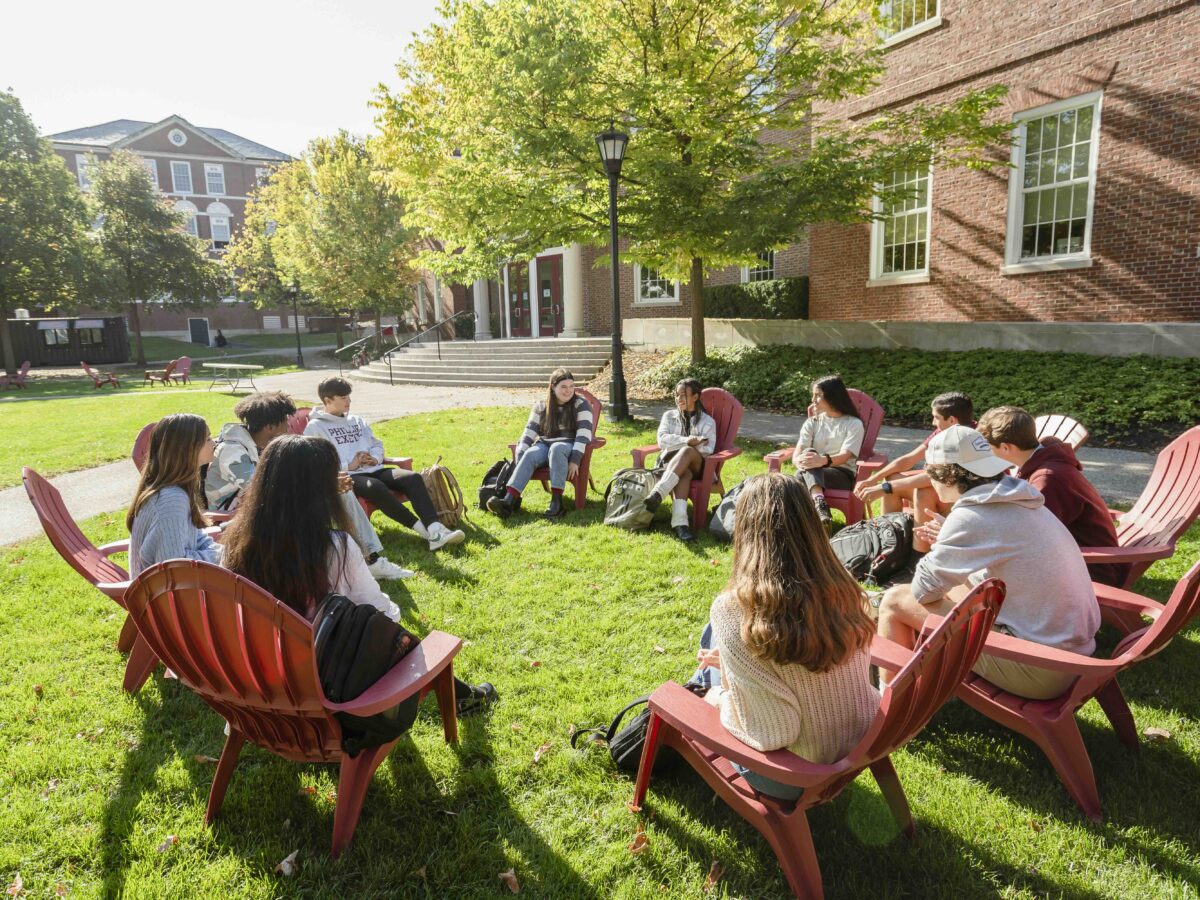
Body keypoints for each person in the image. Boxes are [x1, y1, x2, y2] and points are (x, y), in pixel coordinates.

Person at [220, 435, 497, 717]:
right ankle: (467, 697)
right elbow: (379, 613)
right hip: (327, 686)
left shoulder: (236, 542)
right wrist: (395, 614)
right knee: (397, 636)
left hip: (261, 681)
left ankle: (464, 695)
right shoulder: (333, 547)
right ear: (320, 488)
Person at [876, 425, 1100, 700]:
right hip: (1073, 653)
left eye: (929, 473)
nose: (928, 482)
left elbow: (923, 589)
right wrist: (955, 543)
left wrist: (947, 539)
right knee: (953, 590)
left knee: (895, 600)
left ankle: (890, 706)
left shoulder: (973, 515)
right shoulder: (1019, 497)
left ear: (945, 474)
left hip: (1041, 669)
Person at [690, 474, 879, 800]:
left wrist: (718, 697)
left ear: (746, 529)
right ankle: (713, 674)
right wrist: (739, 668)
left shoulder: (734, 609)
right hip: (856, 742)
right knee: (717, 639)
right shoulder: (843, 585)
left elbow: (776, 730)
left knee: (708, 659)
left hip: (793, 773)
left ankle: (699, 684)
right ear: (809, 522)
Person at [204, 390, 412, 581]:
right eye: (286, 421)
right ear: (270, 427)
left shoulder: (261, 444)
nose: (290, 426)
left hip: (265, 503)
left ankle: (367, 558)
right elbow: (258, 489)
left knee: (339, 493)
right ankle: (365, 560)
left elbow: (284, 481)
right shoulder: (232, 450)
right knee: (333, 494)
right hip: (237, 512)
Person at [304, 377, 465, 551]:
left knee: (413, 478)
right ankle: (427, 534)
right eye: (343, 398)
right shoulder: (315, 427)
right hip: (350, 476)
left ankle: (435, 529)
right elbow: (315, 461)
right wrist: (348, 465)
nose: (349, 401)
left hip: (375, 468)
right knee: (375, 487)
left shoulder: (356, 420)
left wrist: (375, 457)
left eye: (349, 396)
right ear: (328, 400)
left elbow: (376, 443)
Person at [978, 405, 1129, 587]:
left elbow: (1029, 537)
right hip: (1073, 558)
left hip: (1090, 571)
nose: (987, 453)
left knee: (980, 576)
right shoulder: (1044, 462)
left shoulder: (1047, 479)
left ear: (1005, 447)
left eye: (989, 447)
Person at [854, 391, 974, 554]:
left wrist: (886, 487)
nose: (933, 422)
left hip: (962, 500)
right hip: (943, 490)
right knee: (892, 478)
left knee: (922, 492)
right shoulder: (944, 431)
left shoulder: (969, 438)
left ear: (952, 420)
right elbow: (909, 459)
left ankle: (918, 556)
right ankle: (890, 543)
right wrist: (873, 479)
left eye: (936, 417)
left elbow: (938, 477)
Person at [487, 368, 594, 520]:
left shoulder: (581, 404)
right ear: (552, 386)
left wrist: (575, 460)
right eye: (563, 387)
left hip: (569, 445)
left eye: (571, 386)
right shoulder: (541, 406)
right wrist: (519, 457)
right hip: (545, 444)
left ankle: (557, 503)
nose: (568, 391)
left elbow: (584, 435)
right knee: (530, 453)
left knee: (557, 448)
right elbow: (528, 433)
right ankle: (508, 501)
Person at [127, 413, 221, 577]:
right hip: (169, 600)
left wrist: (227, 553)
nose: (214, 443)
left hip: (180, 593)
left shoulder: (178, 491)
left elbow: (196, 538)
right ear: (187, 449)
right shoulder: (171, 500)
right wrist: (221, 556)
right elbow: (175, 568)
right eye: (207, 439)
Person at [643, 378, 717, 542]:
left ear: (695, 397)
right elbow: (662, 440)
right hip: (671, 465)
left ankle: (659, 492)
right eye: (677, 395)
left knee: (687, 452)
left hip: (699, 467)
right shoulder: (668, 416)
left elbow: (707, 449)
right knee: (684, 473)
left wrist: (687, 446)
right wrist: (687, 440)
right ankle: (680, 524)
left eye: (683, 395)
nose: (679, 399)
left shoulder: (707, 422)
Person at [790, 375, 865, 529]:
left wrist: (822, 461)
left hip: (841, 474)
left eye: (818, 395)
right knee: (808, 456)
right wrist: (799, 461)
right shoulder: (813, 422)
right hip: (813, 469)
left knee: (800, 476)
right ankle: (820, 507)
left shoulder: (853, 424)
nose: (813, 400)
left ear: (832, 396)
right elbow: (798, 453)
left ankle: (808, 519)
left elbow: (845, 456)